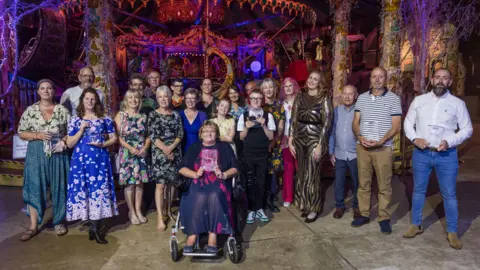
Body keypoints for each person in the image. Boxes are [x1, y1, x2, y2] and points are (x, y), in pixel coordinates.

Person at [403, 68, 473, 249]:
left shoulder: (458, 104)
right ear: (432, 80)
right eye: (438, 77)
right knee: (418, 190)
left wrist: (450, 141)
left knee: (449, 194)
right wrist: (414, 138)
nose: (441, 81)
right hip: (422, 153)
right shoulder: (419, 101)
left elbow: (467, 129)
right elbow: (408, 123)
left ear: (450, 82)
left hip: (446, 155)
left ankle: (452, 231)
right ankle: (416, 224)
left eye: (445, 78)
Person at [18, 79, 70, 241]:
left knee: (59, 187)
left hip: (57, 152)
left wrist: (64, 141)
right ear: (38, 91)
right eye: (43, 88)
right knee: (34, 187)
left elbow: (71, 132)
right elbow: (21, 132)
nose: (46, 91)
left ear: (54, 91)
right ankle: (33, 226)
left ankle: (59, 222)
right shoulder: (30, 110)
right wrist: (37, 135)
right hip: (36, 153)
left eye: (49, 88)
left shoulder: (62, 110)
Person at [351, 67, 402, 235]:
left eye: (381, 77)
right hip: (363, 147)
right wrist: (359, 135)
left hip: (383, 148)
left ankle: (384, 217)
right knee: (363, 183)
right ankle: (364, 214)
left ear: (385, 79)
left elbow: (396, 125)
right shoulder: (362, 98)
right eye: (374, 76)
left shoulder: (394, 99)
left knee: (384, 185)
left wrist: (381, 140)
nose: (377, 79)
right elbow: (356, 122)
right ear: (370, 79)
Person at [66, 88, 118, 244]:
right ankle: (92, 227)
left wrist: (103, 144)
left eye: (93, 99)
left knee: (98, 191)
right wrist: (81, 129)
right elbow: (69, 143)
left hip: (99, 161)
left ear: (97, 101)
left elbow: (114, 138)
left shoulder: (104, 119)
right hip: (80, 162)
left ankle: (95, 228)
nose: (89, 101)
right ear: (82, 100)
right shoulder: (75, 119)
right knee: (86, 191)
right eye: (87, 98)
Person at [179, 121, 238, 253]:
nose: (209, 133)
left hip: (218, 182)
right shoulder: (194, 147)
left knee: (215, 195)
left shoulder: (224, 147)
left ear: (217, 134)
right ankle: (192, 234)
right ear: (200, 134)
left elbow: (235, 168)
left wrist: (223, 174)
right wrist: (194, 174)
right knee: (198, 195)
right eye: (205, 131)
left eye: (212, 131)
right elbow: (181, 168)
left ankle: (213, 235)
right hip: (197, 181)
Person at [289, 70, 333, 223]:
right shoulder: (300, 96)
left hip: (316, 140)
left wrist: (320, 144)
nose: (312, 81)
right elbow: (293, 119)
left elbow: (327, 123)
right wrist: (290, 140)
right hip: (300, 140)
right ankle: (305, 205)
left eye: (316, 79)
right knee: (302, 174)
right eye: (310, 78)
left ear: (320, 83)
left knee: (312, 175)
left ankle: (314, 208)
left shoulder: (324, 98)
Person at [148, 86, 183, 231]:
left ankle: (168, 211)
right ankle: (160, 218)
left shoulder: (176, 115)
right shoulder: (153, 115)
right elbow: (153, 135)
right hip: (159, 154)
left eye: (166, 96)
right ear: (157, 98)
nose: (164, 99)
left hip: (174, 152)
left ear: (170, 98)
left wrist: (171, 148)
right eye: (161, 97)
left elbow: (180, 134)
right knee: (161, 185)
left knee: (171, 184)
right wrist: (165, 149)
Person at [238, 89, 276, 224]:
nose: (256, 101)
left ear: (262, 100)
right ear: (249, 100)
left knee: (261, 181)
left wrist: (264, 124)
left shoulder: (268, 116)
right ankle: (250, 210)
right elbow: (241, 137)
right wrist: (247, 127)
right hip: (248, 153)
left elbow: (271, 136)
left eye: (258, 99)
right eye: (253, 98)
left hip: (262, 153)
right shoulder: (243, 116)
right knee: (249, 182)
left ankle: (259, 208)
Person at [115, 90, 151, 225]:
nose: (133, 100)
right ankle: (132, 211)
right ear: (125, 100)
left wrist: (144, 148)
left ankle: (138, 210)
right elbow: (117, 137)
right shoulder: (121, 115)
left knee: (140, 183)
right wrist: (131, 149)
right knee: (130, 184)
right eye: (130, 97)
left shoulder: (143, 116)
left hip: (141, 153)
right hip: (127, 153)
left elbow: (148, 136)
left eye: (136, 97)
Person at [329, 85, 360, 219]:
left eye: (350, 94)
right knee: (339, 182)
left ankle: (357, 206)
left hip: (355, 154)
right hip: (339, 153)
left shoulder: (359, 111)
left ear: (356, 96)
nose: (347, 96)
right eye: (345, 94)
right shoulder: (336, 111)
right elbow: (332, 132)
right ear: (341, 95)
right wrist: (331, 151)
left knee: (357, 182)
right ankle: (339, 206)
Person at [261, 78, 285, 213]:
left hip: (274, 143)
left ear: (274, 89)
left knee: (272, 172)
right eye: (266, 87)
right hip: (260, 144)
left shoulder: (279, 106)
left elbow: (280, 127)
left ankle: (270, 199)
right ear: (262, 90)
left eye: (271, 87)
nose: (268, 90)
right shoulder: (259, 105)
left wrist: (275, 141)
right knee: (262, 171)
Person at [280, 77, 300, 207]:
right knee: (288, 169)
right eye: (285, 86)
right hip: (286, 138)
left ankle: (302, 195)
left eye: (290, 85)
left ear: (294, 87)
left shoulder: (300, 102)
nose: (288, 88)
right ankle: (288, 197)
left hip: (299, 138)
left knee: (300, 168)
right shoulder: (281, 104)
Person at [179, 88, 208, 153]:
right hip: (181, 152)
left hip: (199, 151)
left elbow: (206, 134)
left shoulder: (202, 115)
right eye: (188, 98)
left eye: (193, 98)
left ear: (197, 100)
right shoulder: (179, 114)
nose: (190, 101)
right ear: (185, 99)